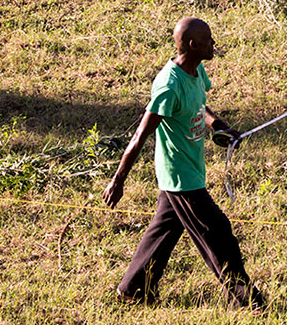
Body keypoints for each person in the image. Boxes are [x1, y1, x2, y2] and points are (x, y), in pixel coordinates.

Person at [103, 17, 265, 309]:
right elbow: (140, 135)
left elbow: (200, 106)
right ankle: (246, 301)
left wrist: (218, 125)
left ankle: (133, 289)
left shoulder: (196, 69)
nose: (213, 44)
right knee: (217, 232)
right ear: (192, 45)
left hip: (190, 170)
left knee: (164, 230)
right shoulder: (168, 86)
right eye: (208, 40)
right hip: (179, 175)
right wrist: (118, 179)